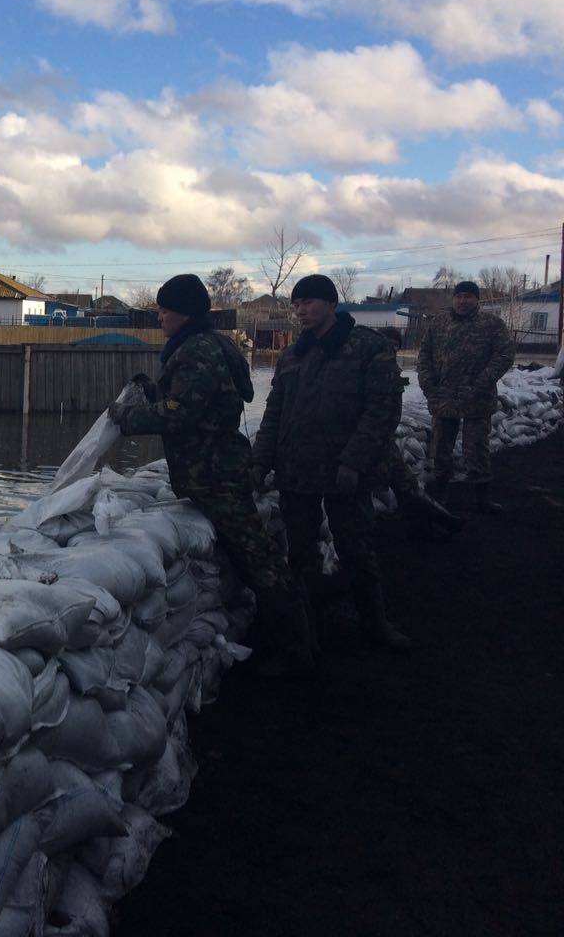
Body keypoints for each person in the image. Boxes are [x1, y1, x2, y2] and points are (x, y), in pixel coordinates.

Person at [109, 273, 317, 677]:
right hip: (215, 469)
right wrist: (155, 392)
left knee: (261, 560)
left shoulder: (196, 350)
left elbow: (183, 413)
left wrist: (130, 417)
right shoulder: (211, 343)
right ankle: (287, 638)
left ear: (184, 312)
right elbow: (197, 399)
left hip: (216, 474)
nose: (159, 318)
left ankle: (298, 652)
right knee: (248, 556)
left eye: (164, 310)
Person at [252, 274, 412, 652]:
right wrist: (260, 462)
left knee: (356, 549)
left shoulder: (368, 349)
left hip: (345, 471)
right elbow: (274, 413)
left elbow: (382, 411)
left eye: (308, 302)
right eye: (296, 304)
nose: (301, 310)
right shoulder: (294, 354)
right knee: (300, 553)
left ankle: (375, 623)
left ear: (331, 304)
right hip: (297, 470)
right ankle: (308, 629)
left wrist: (354, 463)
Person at [417, 280, 515, 513]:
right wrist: (428, 386)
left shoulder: (491, 324)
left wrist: (481, 382)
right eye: (459, 296)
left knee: (476, 449)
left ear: (477, 300)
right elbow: (425, 355)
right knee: (441, 447)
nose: (463, 301)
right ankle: (442, 491)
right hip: (444, 396)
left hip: (477, 398)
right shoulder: (438, 323)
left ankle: (482, 497)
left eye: (468, 297)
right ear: (453, 299)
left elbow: (504, 355)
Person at [380, 328, 466, 540]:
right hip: (375, 435)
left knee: (403, 482)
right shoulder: (374, 367)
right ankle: (434, 519)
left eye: (394, 346)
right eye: (386, 344)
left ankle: (435, 520)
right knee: (403, 482)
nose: (390, 349)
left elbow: (389, 411)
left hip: (378, 437)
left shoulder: (387, 369)